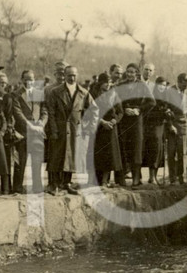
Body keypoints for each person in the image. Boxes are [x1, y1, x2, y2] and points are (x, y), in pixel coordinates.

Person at [45, 65, 93, 195]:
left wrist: (86, 127)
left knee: (70, 156)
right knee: (56, 156)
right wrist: (53, 130)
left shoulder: (83, 93)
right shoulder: (55, 92)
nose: (72, 78)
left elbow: (93, 111)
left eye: (74, 75)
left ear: (77, 76)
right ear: (64, 76)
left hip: (74, 130)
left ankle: (66, 183)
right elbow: (50, 112)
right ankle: (54, 184)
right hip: (59, 129)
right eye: (69, 75)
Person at [116, 63, 154, 187]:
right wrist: (124, 109)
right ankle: (121, 179)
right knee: (123, 147)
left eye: (132, 72)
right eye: (128, 72)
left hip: (137, 121)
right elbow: (115, 101)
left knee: (136, 148)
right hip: (124, 120)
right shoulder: (121, 85)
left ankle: (136, 179)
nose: (130, 74)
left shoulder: (142, 85)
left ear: (137, 73)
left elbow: (151, 102)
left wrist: (139, 110)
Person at [11, 69, 47, 193]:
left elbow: (44, 111)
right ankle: (17, 187)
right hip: (23, 132)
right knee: (20, 160)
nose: (29, 82)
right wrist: (30, 125)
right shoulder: (15, 94)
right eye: (26, 79)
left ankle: (37, 186)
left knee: (37, 161)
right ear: (21, 80)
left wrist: (42, 122)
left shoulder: (38, 93)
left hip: (37, 133)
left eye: (31, 79)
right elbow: (17, 112)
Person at [89, 73, 123, 188]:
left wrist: (115, 120)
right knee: (98, 154)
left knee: (109, 155)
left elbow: (120, 111)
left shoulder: (114, 93)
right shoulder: (93, 93)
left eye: (109, 82)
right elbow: (89, 111)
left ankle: (105, 180)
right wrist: (102, 122)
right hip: (98, 127)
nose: (108, 85)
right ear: (100, 83)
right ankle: (95, 180)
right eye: (105, 83)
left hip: (111, 128)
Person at [165, 73, 187, 184]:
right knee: (171, 152)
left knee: (182, 152)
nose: (186, 87)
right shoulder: (169, 90)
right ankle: (172, 178)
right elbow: (166, 109)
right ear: (178, 82)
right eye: (184, 85)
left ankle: (182, 177)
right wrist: (170, 125)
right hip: (172, 124)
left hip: (184, 124)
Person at [143, 74, 170, 184]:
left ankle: (154, 176)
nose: (162, 87)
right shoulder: (151, 96)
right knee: (153, 148)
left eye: (164, 85)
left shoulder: (166, 97)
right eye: (160, 85)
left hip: (162, 125)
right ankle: (151, 176)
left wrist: (168, 113)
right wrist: (161, 113)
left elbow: (169, 109)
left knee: (160, 150)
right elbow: (148, 111)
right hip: (152, 126)